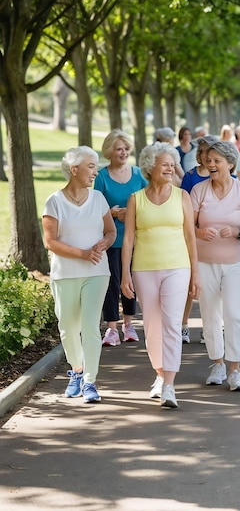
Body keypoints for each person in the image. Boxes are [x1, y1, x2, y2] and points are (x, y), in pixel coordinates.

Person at [121, 142, 201, 408]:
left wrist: (195, 275)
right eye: (165, 164)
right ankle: (159, 374)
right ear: (150, 166)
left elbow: (191, 238)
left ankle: (169, 384)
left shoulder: (182, 197)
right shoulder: (136, 199)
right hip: (144, 269)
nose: (170, 168)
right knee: (152, 326)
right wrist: (125, 275)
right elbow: (129, 239)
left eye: (172, 163)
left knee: (171, 324)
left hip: (178, 268)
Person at [42, 146, 116, 403]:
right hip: (65, 274)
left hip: (97, 272)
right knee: (68, 328)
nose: (96, 172)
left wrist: (103, 244)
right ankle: (76, 370)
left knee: (90, 326)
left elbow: (110, 232)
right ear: (75, 170)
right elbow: (50, 242)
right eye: (91, 166)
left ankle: (90, 382)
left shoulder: (98, 199)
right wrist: (82, 254)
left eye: (96, 166)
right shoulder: (54, 201)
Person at [190, 141, 240, 391]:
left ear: (230, 164)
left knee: (233, 314)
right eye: (208, 161)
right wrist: (200, 232)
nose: (211, 165)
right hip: (205, 261)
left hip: (236, 262)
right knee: (209, 314)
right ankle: (217, 363)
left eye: (217, 161)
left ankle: (235, 369)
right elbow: (189, 227)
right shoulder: (199, 190)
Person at [94, 129, 147, 347]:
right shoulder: (101, 177)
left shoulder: (139, 175)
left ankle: (129, 324)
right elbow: (94, 207)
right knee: (112, 283)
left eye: (126, 148)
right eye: (118, 149)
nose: (123, 152)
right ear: (109, 152)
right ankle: (112, 329)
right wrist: (113, 213)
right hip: (111, 240)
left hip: (136, 240)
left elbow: (149, 202)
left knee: (131, 281)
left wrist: (134, 213)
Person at [180, 134, 219, 344]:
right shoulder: (190, 176)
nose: (203, 156)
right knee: (190, 285)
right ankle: (183, 325)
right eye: (201, 152)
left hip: (217, 240)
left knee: (212, 287)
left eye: (207, 152)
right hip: (194, 237)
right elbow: (183, 209)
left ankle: (209, 327)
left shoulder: (224, 174)